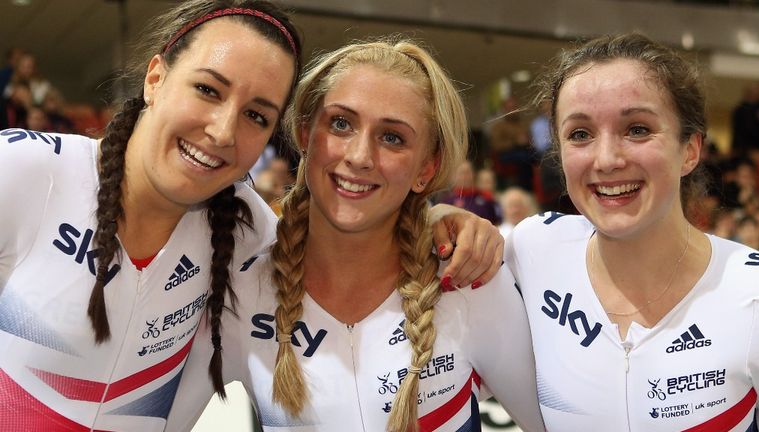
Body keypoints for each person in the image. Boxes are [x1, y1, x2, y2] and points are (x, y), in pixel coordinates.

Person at [0, 3, 502, 430]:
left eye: (256, 115)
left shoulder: (247, 234)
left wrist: (440, 217)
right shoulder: (25, 171)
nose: (222, 131)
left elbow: (348, 233)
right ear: (155, 78)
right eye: (208, 90)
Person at [166, 38, 544, 432]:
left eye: (392, 137)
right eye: (341, 124)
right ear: (304, 132)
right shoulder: (239, 293)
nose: (360, 156)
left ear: (426, 169)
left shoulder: (468, 281)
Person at [506, 33, 759, 431]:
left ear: (691, 150)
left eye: (638, 129)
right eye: (580, 134)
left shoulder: (757, 293)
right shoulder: (532, 249)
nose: (607, 159)